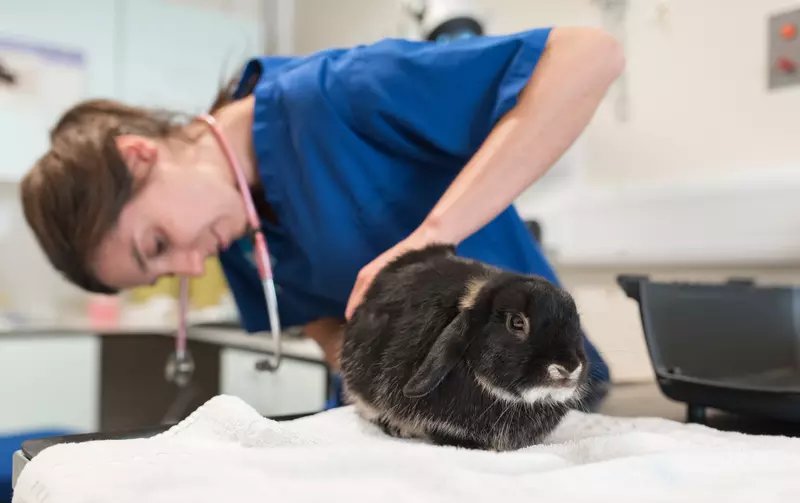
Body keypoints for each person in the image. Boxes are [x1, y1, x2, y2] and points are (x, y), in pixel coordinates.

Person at [20, 25, 624, 408]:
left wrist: (434, 236)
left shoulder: (338, 95)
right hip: (424, 432)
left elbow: (589, 55)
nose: (188, 263)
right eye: (161, 271)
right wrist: (383, 392)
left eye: (155, 243)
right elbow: (329, 330)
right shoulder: (230, 230)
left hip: (545, 389)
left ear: (139, 155)